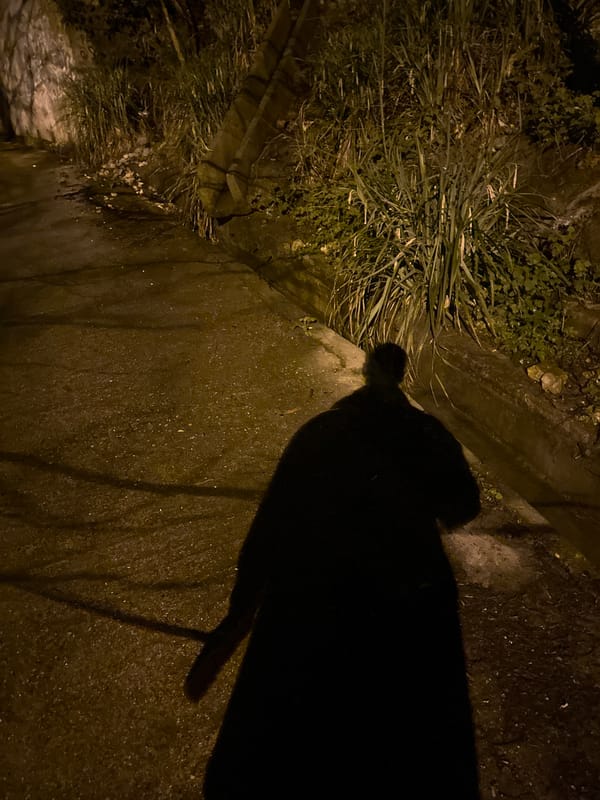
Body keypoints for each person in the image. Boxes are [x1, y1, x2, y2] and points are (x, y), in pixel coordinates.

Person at [186, 342, 481, 799]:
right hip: (404, 602)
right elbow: (464, 506)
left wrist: (241, 609)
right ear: (401, 376)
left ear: (365, 371)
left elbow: (271, 524)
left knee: (296, 746)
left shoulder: (319, 432)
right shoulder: (427, 434)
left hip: (312, 597)